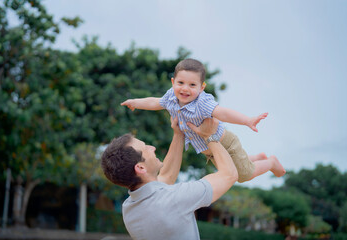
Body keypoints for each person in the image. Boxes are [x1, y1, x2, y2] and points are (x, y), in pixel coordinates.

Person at [121, 58, 285, 183]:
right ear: (173, 82)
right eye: (181, 83)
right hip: (210, 151)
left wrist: (247, 120)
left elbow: (224, 113)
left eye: (192, 85)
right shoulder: (171, 96)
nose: (185, 88)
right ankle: (256, 157)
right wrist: (136, 102)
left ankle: (270, 162)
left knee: (243, 176)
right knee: (234, 168)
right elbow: (155, 102)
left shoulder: (202, 102)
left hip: (225, 143)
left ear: (202, 87)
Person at [101, 117, 238, 240]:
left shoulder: (129, 208)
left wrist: (179, 134)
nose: (152, 148)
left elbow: (166, 177)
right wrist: (209, 136)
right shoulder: (175, 198)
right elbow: (229, 175)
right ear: (141, 168)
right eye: (146, 148)